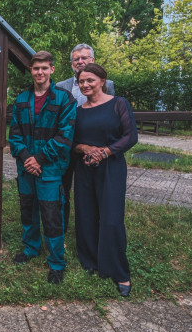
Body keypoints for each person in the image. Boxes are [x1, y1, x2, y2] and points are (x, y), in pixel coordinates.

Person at [8, 51, 77, 284]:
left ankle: (57, 262)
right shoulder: (20, 100)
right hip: (26, 168)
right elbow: (14, 135)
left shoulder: (65, 99)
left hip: (51, 169)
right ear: (31, 70)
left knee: (51, 215)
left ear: (52, 70)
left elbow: (64, 137)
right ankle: (31, 248)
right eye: (36, 68)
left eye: (44, 68)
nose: (40, 72)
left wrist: (40, 159)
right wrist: (28, 158)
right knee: (28, 210)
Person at [72, 63, 137, 297]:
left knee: (111, 219)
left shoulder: (118, 104)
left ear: (102, 80)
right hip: (85, 168)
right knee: (86, 216)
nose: (86, 84)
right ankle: (90, 261)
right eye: (81, 81)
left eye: (90, 80)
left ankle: (120, 272)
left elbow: (131, 136)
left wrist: (106, 151)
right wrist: (84, 147)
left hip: (111, 168)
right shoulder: (78, 111)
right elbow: (71, 142)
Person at [56, 43, 115, 232]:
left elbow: (111, 116)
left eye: (84, 58)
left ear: (92, 60)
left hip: (93, 148)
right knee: (62, 191)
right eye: (76, 58)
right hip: (66, 146)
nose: (80, 61)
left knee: (92, 193)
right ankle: (61, 230)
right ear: (71, 63)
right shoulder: (60, 86)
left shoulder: (108, 85)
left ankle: (92, 231)